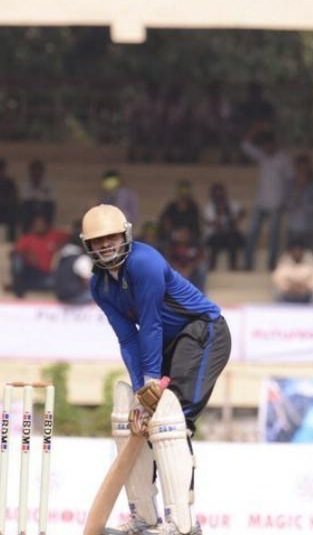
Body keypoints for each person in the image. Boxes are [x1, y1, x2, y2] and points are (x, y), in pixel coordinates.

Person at [82, 204, 232, 535]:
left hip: (202, 332)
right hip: (168, 344)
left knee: (170, 417)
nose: (106, 245)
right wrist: (140, 389)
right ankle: (144, 518)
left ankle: (183, 524)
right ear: (88, 246)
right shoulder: (100, 286)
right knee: (133, 421)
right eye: (98, 241)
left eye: (112, 237)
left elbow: (149, 324)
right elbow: (128, 339)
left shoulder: (144, 263)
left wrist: (151, 381)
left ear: (126, 235)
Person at [241, 125, 293, 271]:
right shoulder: (262, 156)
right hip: (260, 202)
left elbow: (290, 181)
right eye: (263, 146)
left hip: (276, 204)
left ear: (273, 144)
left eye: (268, 145)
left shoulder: (283, 158)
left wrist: (285, 201)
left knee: (273, 237)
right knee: (252, 234)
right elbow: (244, 145)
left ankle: (271, 264)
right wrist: (256, 129)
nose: (266, 148)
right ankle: (247, 263)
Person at [9, 214, 68, 298]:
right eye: (37, 224)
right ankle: (19, 286)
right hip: (31, 272)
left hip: (47, 275)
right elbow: (13, 253)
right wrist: (26, 255)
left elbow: (72, 237)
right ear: (32, 226)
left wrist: (61, 245)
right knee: (17, 259)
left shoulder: (54, 235)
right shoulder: (28, 238)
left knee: (55, 281)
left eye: (41, 224)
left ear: (47, 225)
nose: (39, 226)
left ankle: (21, 286)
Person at [202, 182, 244, 271]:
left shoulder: (231, 203)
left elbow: (242, 212)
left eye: (221, 194)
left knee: (233, 238)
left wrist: (233, 217)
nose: (219, 197)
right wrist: (220, 214)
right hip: (215, 236)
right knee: (215, 240)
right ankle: (211, 266)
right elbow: (211, 223)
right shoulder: (209, 207)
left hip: (230, 236)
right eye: (217, 194)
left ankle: (233, 266)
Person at [272, 239, 313, 304]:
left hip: (306, 293)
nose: (297, 253)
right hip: (289, 293)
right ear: (290, 252)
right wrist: (289, 287)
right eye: (294, 251)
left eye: (299, 251)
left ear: (303, 251)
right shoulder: (285, 260)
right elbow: (276, 277)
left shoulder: (311, 260)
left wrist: (307, 287)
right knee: (276, 292)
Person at [284, 155, 313, 249]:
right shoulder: (290, 184)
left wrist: (304, 205)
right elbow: (287, 205)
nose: (302, 170)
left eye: (305, 168)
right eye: (300, 168)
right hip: (293, 227)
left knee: (308, 257)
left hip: (308, 227)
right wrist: (297, 191)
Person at [53, 222, 93, 306]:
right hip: (76, 297)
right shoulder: (82, 259)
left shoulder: (62, 256)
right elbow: (88, 283)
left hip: (60, 296)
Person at [166, 226, 207, 292]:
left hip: (192, 270)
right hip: (177, 270)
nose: (183, 235)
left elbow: (201, 258)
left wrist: (189, 269)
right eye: (181, 233)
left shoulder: (194, 245)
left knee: (202, 267)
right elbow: (169, 259)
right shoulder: (174, 245)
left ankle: (200, 293)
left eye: (185, 233)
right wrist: (179, 269)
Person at [19, 159, 56, 231]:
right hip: (29, 209)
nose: (36, 174)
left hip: (43, 208)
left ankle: (46, 230)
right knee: (26, 207)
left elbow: (50, 199)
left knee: (49, 206)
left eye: (38, 172)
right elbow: (24, 199)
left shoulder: (49, 186)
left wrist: (37, 197)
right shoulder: (24, 185)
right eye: (34, 172)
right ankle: (26, 231)